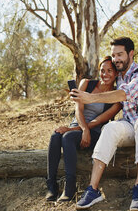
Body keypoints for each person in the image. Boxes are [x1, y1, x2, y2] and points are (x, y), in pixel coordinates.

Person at [71, 37, 138, 211]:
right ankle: (93, 189)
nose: (116, 59)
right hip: (132, 126)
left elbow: (124, 94)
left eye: (120, 54)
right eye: (114, 55)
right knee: (111, 127)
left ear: (131, 53)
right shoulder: (120, 78)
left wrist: (90, 98)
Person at [46, 56, 122, 202]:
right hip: (78, 126)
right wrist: (78, 129)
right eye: (102, 71)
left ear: (116, 74)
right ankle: (51, 186)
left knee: (67, 137)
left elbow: (98, 121)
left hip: (94, 132)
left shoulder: (116, 98)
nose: (105, 74)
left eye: (109, 71)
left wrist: (78, 131)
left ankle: (70, 188)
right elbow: (78, 110)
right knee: (55, 136)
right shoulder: (86, 83)